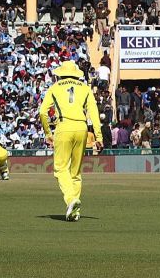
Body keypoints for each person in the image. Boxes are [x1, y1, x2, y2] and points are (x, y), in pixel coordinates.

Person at [39, 60, 101, 222]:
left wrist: (47, 133)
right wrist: (99, 137)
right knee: (75, 172)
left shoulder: (55, 87)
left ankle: (71, 200)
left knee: (60, 169)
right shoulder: (85, 88)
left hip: (64, 126)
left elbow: (42, 112)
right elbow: (93, 113)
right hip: (82, 128)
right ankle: (75, 211)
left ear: (60, 74)